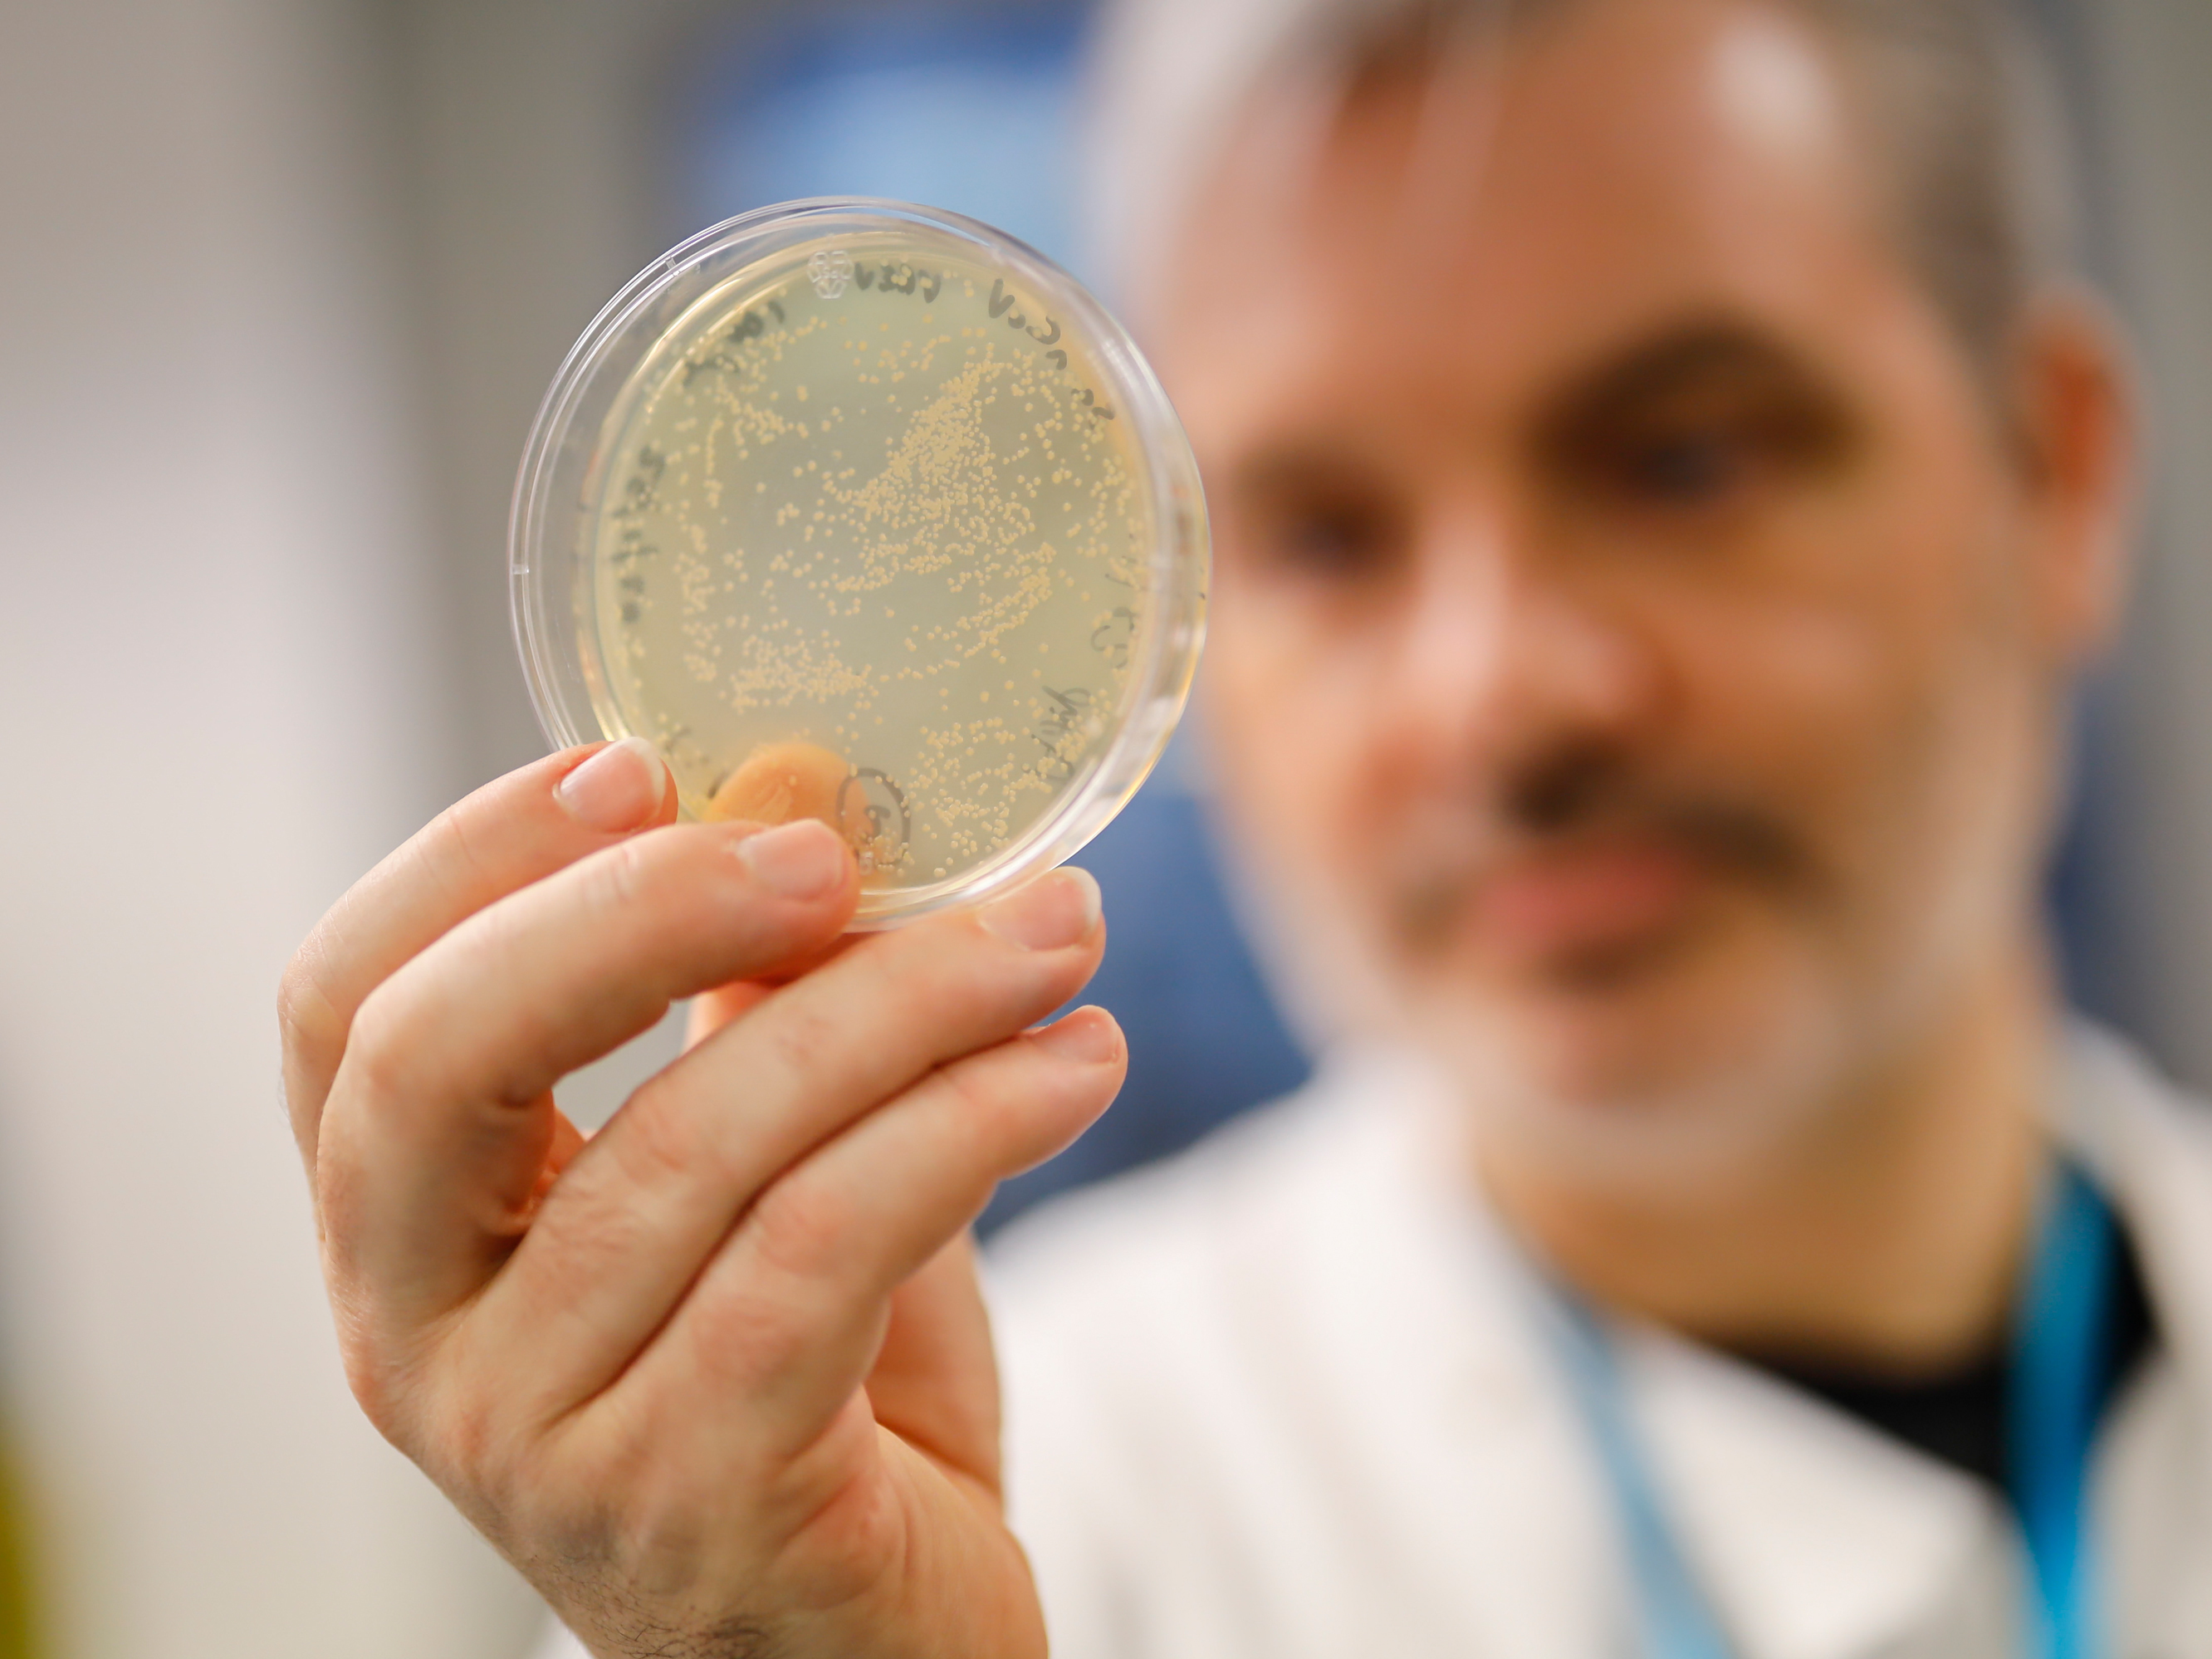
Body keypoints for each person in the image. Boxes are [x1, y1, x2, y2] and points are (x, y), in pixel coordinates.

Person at [278, 0, 2212, 1653]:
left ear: (2054, 476)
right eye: (1325, 533)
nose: (1500, 694)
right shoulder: (942, 1517)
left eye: (1684, 455)